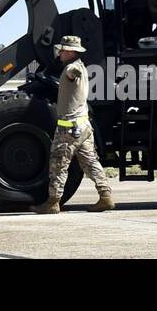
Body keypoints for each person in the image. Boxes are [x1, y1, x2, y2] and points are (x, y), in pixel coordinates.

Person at [34, 35, 115, 214]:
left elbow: (72, 73)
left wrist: (71, 72)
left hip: (69, 127)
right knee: (90, 162)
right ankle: (105, 196)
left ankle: (53, 202)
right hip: (84, 125)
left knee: (58, 163)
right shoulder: (81, 67)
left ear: (70, 52)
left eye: (62, 50)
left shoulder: (72, 68)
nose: (60, 53)